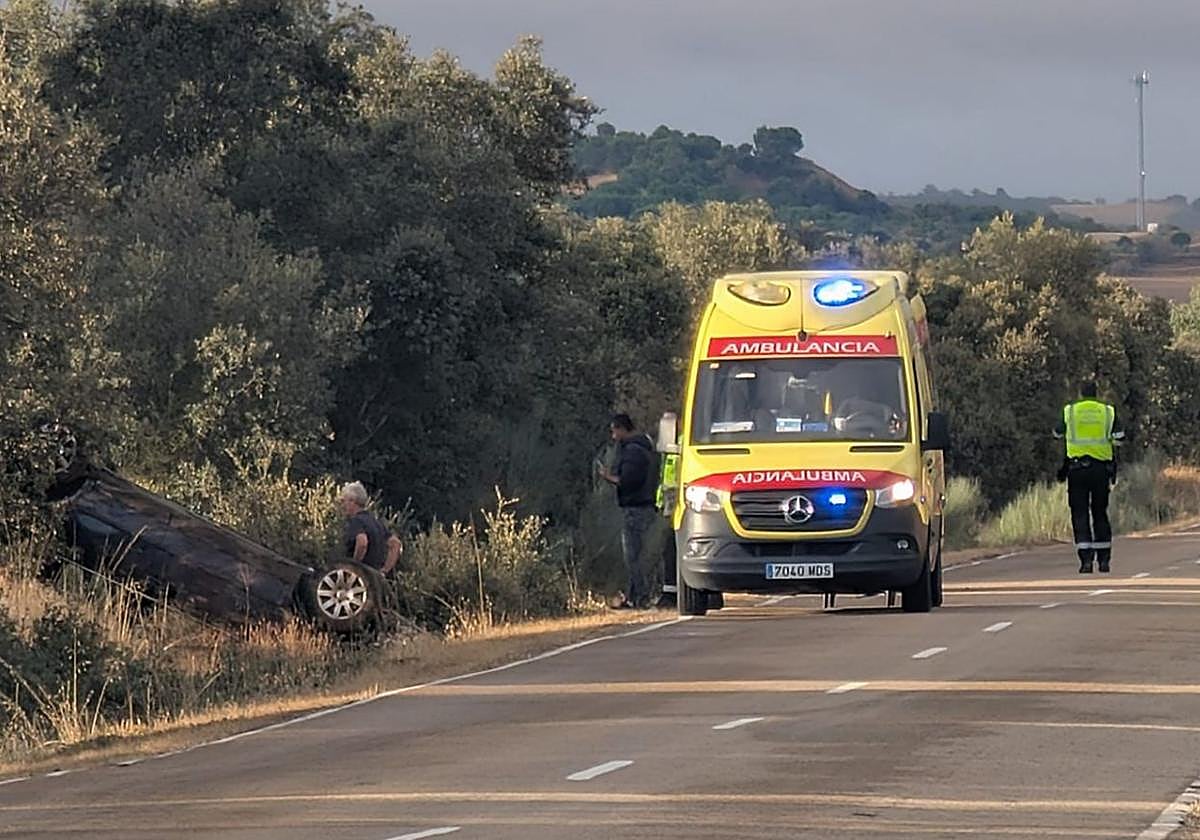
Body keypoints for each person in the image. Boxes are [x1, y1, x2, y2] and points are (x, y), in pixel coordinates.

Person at [1054, 382, 1124, 574]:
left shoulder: (1070, 411)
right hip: (1101, 470)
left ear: (1081, 393)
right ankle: (1104, 561)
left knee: (1080, 513)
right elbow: (1119, 437)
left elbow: (1057, 433)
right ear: (1096, 393)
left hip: (1076, 469)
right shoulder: (1108, 411)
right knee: (1100, 512)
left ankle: (1086, 561)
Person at [599, 414, 658, 608]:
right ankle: (634, 596)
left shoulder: (633, 451)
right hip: (644, 506)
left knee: (632, 555)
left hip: (636, 508)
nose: (614, 436)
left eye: (615, 430)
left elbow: (629, 481)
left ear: (623, 429)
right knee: (636, 554)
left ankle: (639, 596)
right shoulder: (643, 446)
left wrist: (609, 477)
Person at [339, 481, 403, 574]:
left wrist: (354, 567)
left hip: (360, 578)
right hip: (375, 578)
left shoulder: (356, 521)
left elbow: (362, 543)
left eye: (343, 501)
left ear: (352, 501)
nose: (342, 505)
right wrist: (385, 570)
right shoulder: (377, 523)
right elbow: (396, 544)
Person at [655, 439, 681, 609]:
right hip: (671, 502)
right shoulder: (674, 442)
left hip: (680, 501)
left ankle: (671, 593)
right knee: (670, 547)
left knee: (672, 548)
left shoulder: (684, 440)